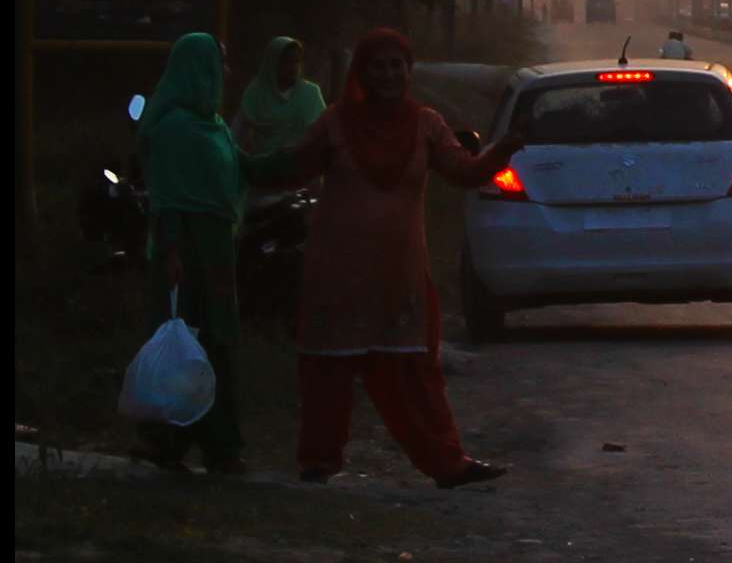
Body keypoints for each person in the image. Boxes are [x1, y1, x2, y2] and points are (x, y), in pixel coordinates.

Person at [268, 27, 504, 489]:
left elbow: (464, 171)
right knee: (327, 370)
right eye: (379, 66)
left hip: (399, 278)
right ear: (363, 72)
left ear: (409, 72)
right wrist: (232, 158)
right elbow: (293, 166)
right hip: (337, 276)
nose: (389, 75)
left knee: (415, 374)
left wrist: (506, 148)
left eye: (397, 65)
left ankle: (447, 463)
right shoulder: (335, 124)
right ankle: (318, 462)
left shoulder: (427, 125)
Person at [128, 32, 255, 474]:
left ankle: (216, 445)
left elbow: (243, 168)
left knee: (213, 344)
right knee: (184, 344)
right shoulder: (174, 129)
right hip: (184, 254)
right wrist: (172, 254)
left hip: (216, 252)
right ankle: (174, 441)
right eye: (220, 62)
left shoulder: (214, 126)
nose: (226, 71)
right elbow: (167, 199)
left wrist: (307, 157)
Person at [232, 34, 326, 163]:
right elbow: (236, 134)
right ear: (273, 62)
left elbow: (323, 135)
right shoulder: (257, 93)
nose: (293, 67)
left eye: (296, 61)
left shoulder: (311, 94)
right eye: (287, 61)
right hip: (264, 170)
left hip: (302, 171)